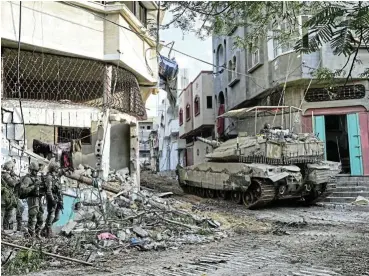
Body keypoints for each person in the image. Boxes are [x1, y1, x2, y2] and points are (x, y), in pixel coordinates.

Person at [20, 162, 44, 237]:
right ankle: (31, 235)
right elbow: (23, 190)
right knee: (33, 219)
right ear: (30, 170)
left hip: (38, 199)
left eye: (37, 171)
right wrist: (34, 186)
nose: (36, 172)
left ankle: (37, 234)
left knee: (40, 218)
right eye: (35, 171)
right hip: (32, 199)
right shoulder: (27, 179)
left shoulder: (36, 178)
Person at [43, 162, 63, 237]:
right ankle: (48, 232)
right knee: (51, 215)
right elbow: (49, 190)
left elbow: (59, 189)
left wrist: (60, 200)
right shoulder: (49, 177)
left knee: (57, 217)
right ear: (53, 168)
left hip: (58, 198)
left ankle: (45, 228)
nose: (58, 168)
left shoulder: (56, 177)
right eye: (56, 167)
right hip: (52, 198)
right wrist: (52, 200)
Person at [1, 161, 20, 230]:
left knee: (7, 214)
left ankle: (5, 228)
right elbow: (12, 183)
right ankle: (5, 228)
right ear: (10, 168)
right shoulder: (6, 175)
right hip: (6, 197)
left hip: (7, 197)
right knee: (7, 213)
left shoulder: (4, 174)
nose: (13, 169)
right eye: (12, 167)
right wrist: (15, 178)